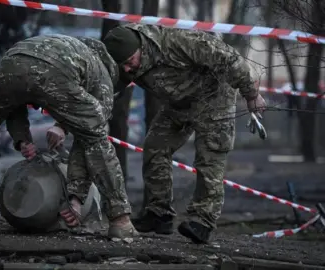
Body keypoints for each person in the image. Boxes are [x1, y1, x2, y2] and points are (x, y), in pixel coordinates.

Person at [0, 34, 138, 239]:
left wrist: (22, 138)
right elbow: (88, 140)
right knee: (97, 142)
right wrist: (76, 195)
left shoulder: (74, 48)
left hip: (13, 59)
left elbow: (15, 99)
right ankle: (120, 220)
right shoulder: (103, 77)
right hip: (55, 71)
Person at [102, 24, 267, 244]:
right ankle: (159, 214)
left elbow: (229, 58)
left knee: (210, 156)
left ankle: (202, 221)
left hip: (213, 97)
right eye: (123, 66)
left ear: (140, 47)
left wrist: (251, 94)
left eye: (130, 61)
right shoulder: (125, 62)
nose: (128, 70)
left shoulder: (177, 42)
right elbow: (104, 89)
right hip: (179, 102)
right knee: (155, 146)